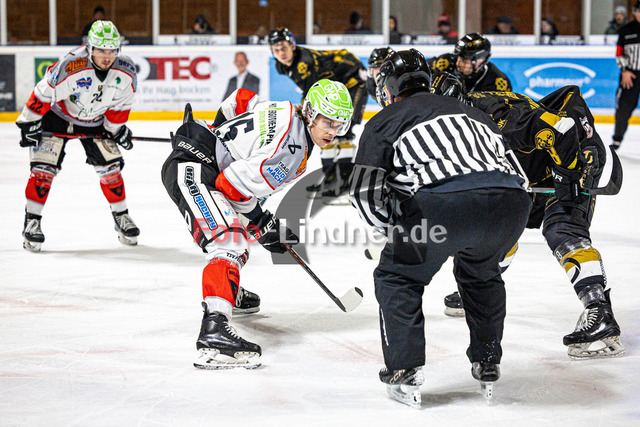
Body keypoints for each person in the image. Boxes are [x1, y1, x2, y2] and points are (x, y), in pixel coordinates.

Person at [350, 49, 531, 407]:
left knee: (397, 277)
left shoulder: (385, 120)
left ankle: (404, 369)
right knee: (482, 275)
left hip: (442, 207)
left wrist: (390, 230)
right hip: (510, 205)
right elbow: (520, 178)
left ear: (388, 88)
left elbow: (362, 191)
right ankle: (487, 359)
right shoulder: (474, 113)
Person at [161, 80, 354, 369]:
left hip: (202, 166)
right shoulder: (290, 151)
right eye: (327, 122)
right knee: (229, 243)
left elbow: (240, 98)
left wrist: (217, 136)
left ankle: (227, 292)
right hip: (195, 173)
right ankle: (214, 331)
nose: (332, 131)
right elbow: (230, 185)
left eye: (339, 125)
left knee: (238, 229)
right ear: (311, 113)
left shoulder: (284, 109)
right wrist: (264, 224)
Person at [432, 72, 626, 360]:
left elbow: (561, 129)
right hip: (534, 173)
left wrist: (566, 179)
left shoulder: (498, 118)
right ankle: (479, 287)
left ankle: (600, 312)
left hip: (575, 161)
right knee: (496, 225)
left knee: (562, 231)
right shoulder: (463, 120)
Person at [16, 20, 139, 252]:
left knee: (111, 169)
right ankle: (32, 221)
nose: (106, 56)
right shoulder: (72, 65)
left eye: (111, 51)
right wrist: (28, 121)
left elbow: (121, 106)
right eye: (101, 50)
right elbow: (44, 92)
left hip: (95, 121)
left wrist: (115, 130)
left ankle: (121, 216)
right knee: (43, 169)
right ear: (90, 48)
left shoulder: (125, 71)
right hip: (58, 117)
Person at [269, 27, 367, 201]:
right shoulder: (281, 65)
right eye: (276, 50)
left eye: (283, 47)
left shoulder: (304, 63)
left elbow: (313, 93)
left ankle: (344, 182)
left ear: (293, 46)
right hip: (336, 86)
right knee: (325, 130)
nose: (280, 53)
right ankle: (330, 180)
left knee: (341, 130)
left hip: (353, 83)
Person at [429, 33, 512, 92]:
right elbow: (423, 70)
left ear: (480, 61)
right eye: (458, 58)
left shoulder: (498, 82)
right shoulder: (446, 62)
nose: (458, 63)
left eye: (464, 61)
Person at [612, 1, 640, 150]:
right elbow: (619, 53)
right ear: (635, 12)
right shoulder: (626, 30)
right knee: (623, 108)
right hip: (631, 75)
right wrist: (624, 70)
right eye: (639, 11)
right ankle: (617, 139)